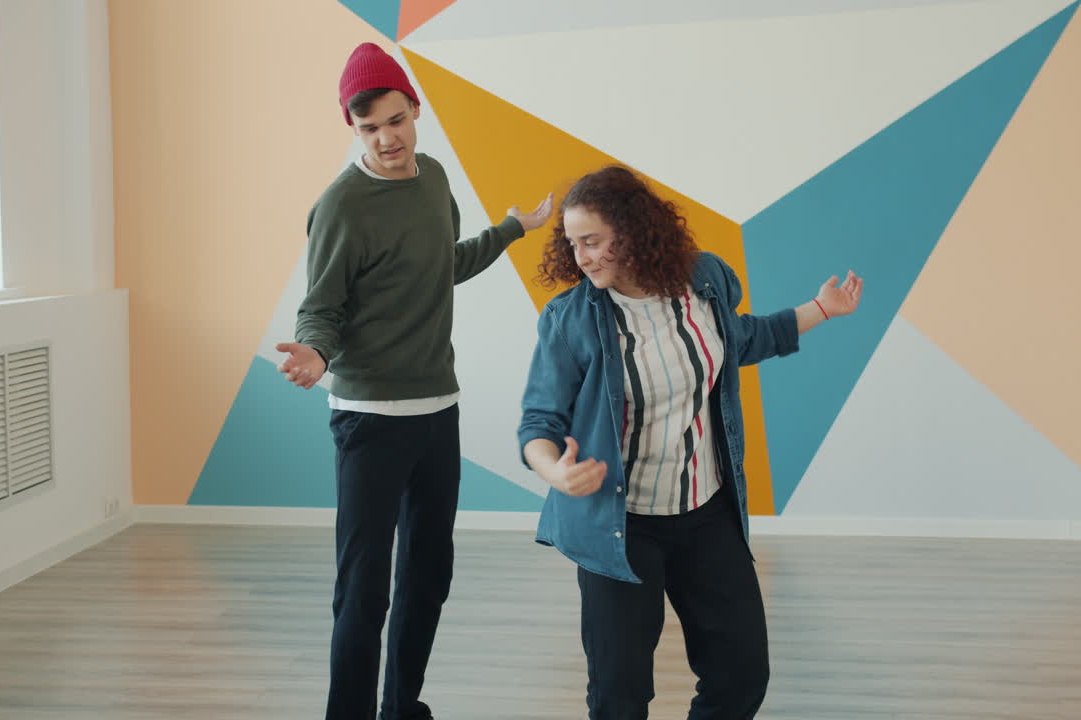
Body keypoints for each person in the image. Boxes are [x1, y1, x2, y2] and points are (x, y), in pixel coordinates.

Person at [517, 165, 862, 719]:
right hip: (621, 526)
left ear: (631, 232)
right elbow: (539, 422)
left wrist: (823, 308)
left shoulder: (703, 280)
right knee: (619, 695)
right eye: (573, 243)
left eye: (593, 241)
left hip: (706, 513)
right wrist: (554, 471)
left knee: (741, 671)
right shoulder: (571, 320)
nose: (581, 257)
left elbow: (743, 338)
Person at [275, 42, 552, 720]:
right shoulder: (342, 205)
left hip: (436, 409)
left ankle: (402, 706)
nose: (386, 138)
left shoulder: (431, 178)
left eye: (394, 121)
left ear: (414, 111)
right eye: (368, 128)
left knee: (430, 575)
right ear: (354, 129)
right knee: (365, 588)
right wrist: (314, 350)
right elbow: (322, 307)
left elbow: (444, 264)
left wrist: (513, 229)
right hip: (370, 418)